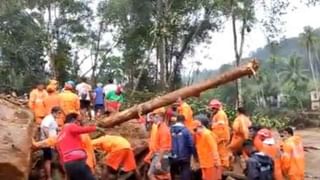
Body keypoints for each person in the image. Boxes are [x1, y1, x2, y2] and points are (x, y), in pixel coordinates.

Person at [56, 113, 96, 180]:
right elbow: (82, 130)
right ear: (73, 120)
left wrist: (65, 170)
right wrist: (95, 128)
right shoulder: (70, 126)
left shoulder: (59, 136)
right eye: (78, 121)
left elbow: (60, 155)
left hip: (68, 165)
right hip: (78, 162)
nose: (79, 124)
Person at [148, 107, 172, 180]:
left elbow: (163, 147)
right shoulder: (160, 127)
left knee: (150, 174)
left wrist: (158, 160)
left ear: (161, 118)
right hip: (162, 154)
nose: (154, 119)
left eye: (156, 117)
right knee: (165, 174)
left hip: (162, 155)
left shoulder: (163, 129)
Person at [170, 115, 195, 180]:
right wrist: (194, 154)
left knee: (171, 170)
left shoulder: (170, 129)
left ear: (176, 120)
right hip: (184, 156)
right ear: (184, 121)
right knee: (185, 170)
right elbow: (191, 144)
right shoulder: (186, 131)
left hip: (172, 155)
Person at [40, 106, 61, 180]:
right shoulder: (49, 118)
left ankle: (49, 174)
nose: (59, 115)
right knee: (48, 159)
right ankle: (48, 177)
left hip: (52, 142)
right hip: (47, 143)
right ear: (54, 112)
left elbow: (52, 128)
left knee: (51, 158)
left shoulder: (53, 119)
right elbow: (45, 127)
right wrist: (49, 139)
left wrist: (59, 129)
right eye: (58, 113)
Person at [209, 99, 231, 169]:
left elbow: (220, 127)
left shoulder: (220, 114)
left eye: (213, 108)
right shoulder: (217, 114)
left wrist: (217, 139)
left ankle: (224, 167)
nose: (212, 110)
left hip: (221, 138)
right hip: (219, 137)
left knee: (223, 154)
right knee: (221, 153)